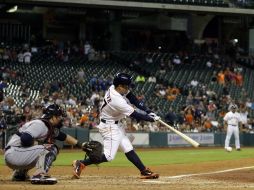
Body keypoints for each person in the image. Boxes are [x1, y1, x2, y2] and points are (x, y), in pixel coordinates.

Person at [72, 73, 160, 179]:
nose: (128, 88)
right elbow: (135, 115)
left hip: (116, 124)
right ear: (120, 86)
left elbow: (132, 98)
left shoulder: (114, 87)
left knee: (128, 148)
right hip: (109, 127)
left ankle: (143, 171)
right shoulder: (117, 100)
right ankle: (80, 163)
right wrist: (152, 119)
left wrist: (148, 111)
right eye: (126, 86)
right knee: (109, 157)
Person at [4, 103, 85, 184]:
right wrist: (38, 145)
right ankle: (39, 174)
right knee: (50, 148)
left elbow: (63, 136)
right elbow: (25, 139)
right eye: (59, 117)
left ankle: (20, 174)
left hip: (16, 154)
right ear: (53, 117)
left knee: (41, 150)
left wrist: (82, 145)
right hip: (14, 153)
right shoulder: (40, 124)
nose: (61, 119)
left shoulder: (47, 126)